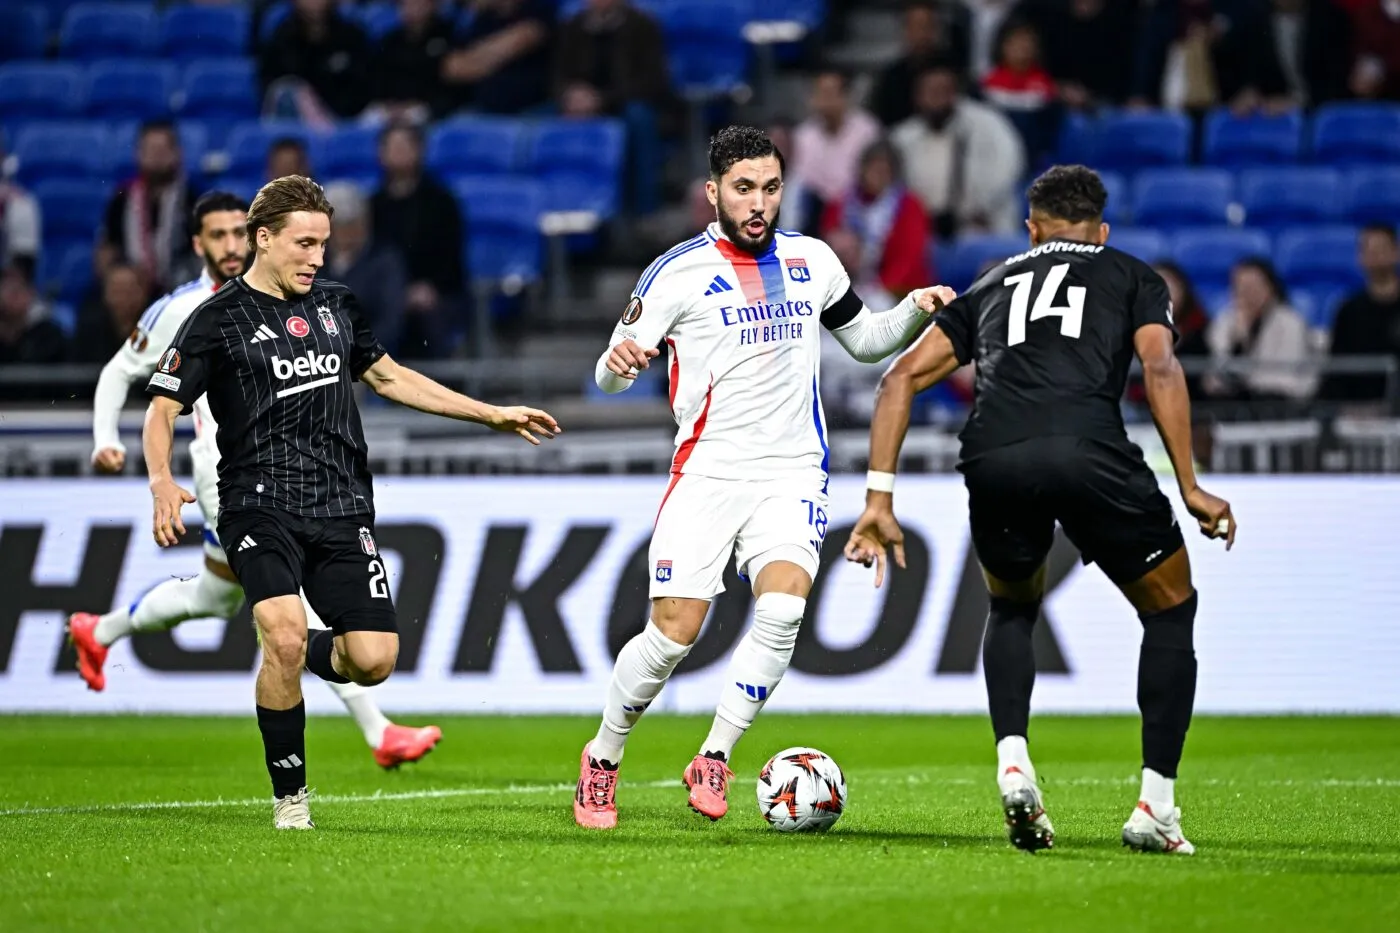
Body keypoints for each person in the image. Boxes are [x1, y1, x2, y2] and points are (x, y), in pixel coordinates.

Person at [141, 176, 560, 829]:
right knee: (280, 639)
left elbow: (390, 376)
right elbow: (161, 407)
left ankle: (291, 647)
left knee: (372, 660)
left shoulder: (337, 304)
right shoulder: (215, 321)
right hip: (257, 503)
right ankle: (291, 798)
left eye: (323, 244)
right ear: (264, 238)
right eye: (303, 243)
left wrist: (490, 414)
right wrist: (162, 480)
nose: (317, 257)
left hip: (341, 506)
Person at [843, 165, 1236, 855]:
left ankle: (1014, 760)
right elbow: (1161, 366)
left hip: (995, 454)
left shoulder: (991, 281)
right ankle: (1156, 805)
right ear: (1101, 230)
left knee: (1013, 606)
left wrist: (879, 497)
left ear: (1032, 229)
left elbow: (898, 376)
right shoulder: (1132, 274)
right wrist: (1191, 484)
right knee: (1170, 607)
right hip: (1091, 451)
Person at [573, 125, 947, 830]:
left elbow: (864, 342)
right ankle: (603, 756)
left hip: (793, 472)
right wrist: (616, 367)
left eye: (771, 187)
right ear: (713, 192)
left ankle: (715, 752)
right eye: (744, 188)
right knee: (675, 633)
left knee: (783, 609)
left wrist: (910, 314)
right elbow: (609, 372)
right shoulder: (675, 272)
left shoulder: (813, 259)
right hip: (708, 473)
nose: (759, 202)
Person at [67, 191, 442, 771]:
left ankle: (102, 629)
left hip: (309, 481)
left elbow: (384, 376)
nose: (227, 246)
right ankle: (378, 729)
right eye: (215, 236)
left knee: (218, 598)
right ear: (199, 244)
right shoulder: (187, 309)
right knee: (286, 619)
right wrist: (107, 441)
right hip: (229, 482)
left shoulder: (312, 301)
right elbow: (125, 374)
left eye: (232, 234)